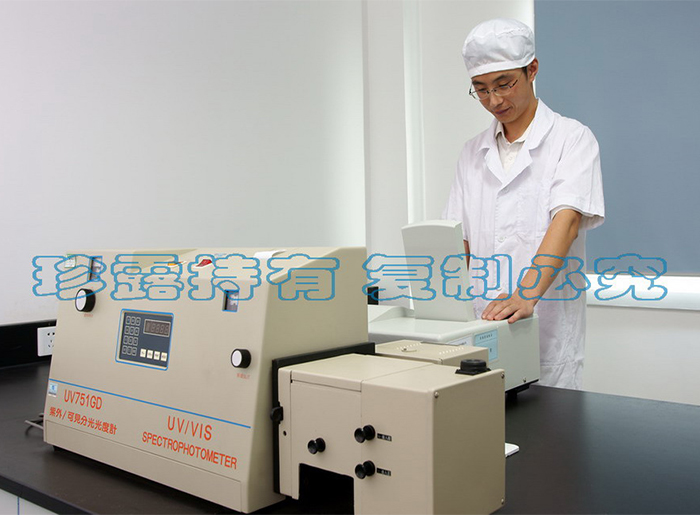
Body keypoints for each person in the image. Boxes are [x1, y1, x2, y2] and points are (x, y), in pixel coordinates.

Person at [442, 18, 605, 389]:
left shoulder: (571, 139)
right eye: (481, 89)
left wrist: (525, 296)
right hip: (480, 333)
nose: (494, 100)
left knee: (547, 424)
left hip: (547, 335)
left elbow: (566, 223)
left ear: (532, 69)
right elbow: (458, 241)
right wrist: (443, 314)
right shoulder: (471, 153)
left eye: (504, 84)